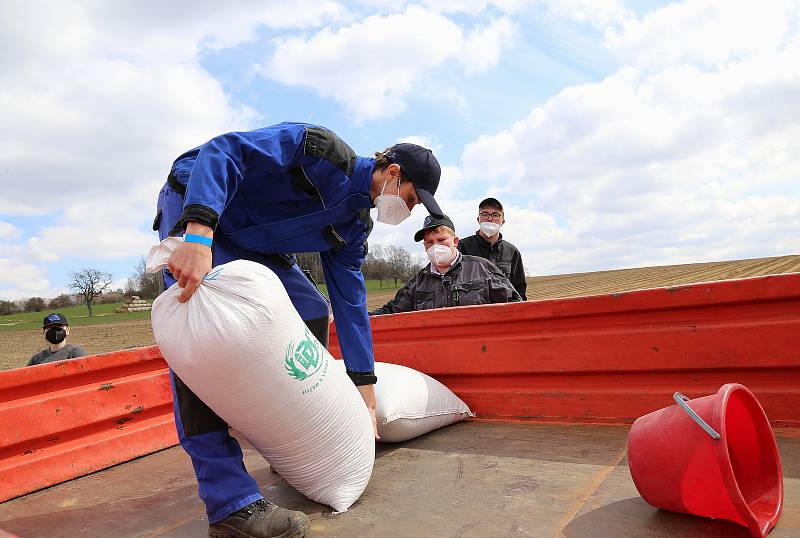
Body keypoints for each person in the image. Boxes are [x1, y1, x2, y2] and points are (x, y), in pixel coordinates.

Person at [154, 122, 443, 538]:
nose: (409, 210)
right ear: (393, 173)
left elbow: (350, 302)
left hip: (257, 247)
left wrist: (363, 386)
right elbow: (223, 152)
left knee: (310, 306)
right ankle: (230, 505)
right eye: (412, 198)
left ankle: (292, 430)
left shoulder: (354, 227)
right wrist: (198, 236)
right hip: (200, 206)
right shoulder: (318, 149)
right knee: (198, 330)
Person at [370, 214, 520, 315]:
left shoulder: (482, 269)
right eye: (429, 242)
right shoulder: (418, 283)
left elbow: (516, 306)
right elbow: (391, 311)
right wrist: (357, 319)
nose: (435, 246)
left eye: (441, 240)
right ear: (424, 246)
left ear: (455, 241)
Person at [457, 197, 527, 299]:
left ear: (502, 221)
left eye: (495, 215)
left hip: (503, 311)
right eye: (485, 214)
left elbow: (519, 289)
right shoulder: (461, 247)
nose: (490, 219)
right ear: (478, 219)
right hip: (472, 310)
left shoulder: (512, 252)